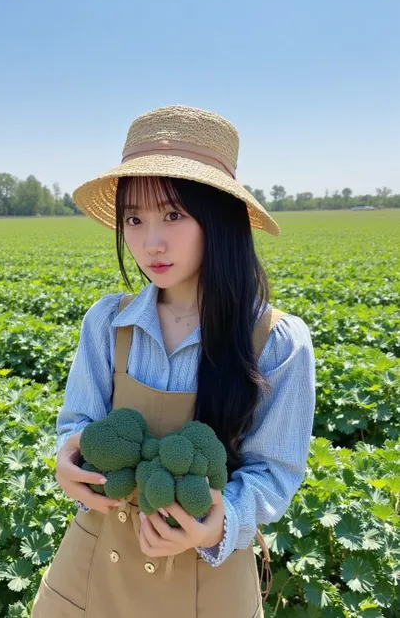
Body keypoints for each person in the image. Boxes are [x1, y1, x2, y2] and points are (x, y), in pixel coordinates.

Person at [31, 105, 316, 618]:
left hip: (206, 582)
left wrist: (220, 521)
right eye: (134, 219)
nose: (150, 242)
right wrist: (67, 461)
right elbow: (76, 424)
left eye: (174, 214)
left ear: (219, 217)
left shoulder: (277, 343)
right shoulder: (107, 323)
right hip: (92, 570)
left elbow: (274, 473)